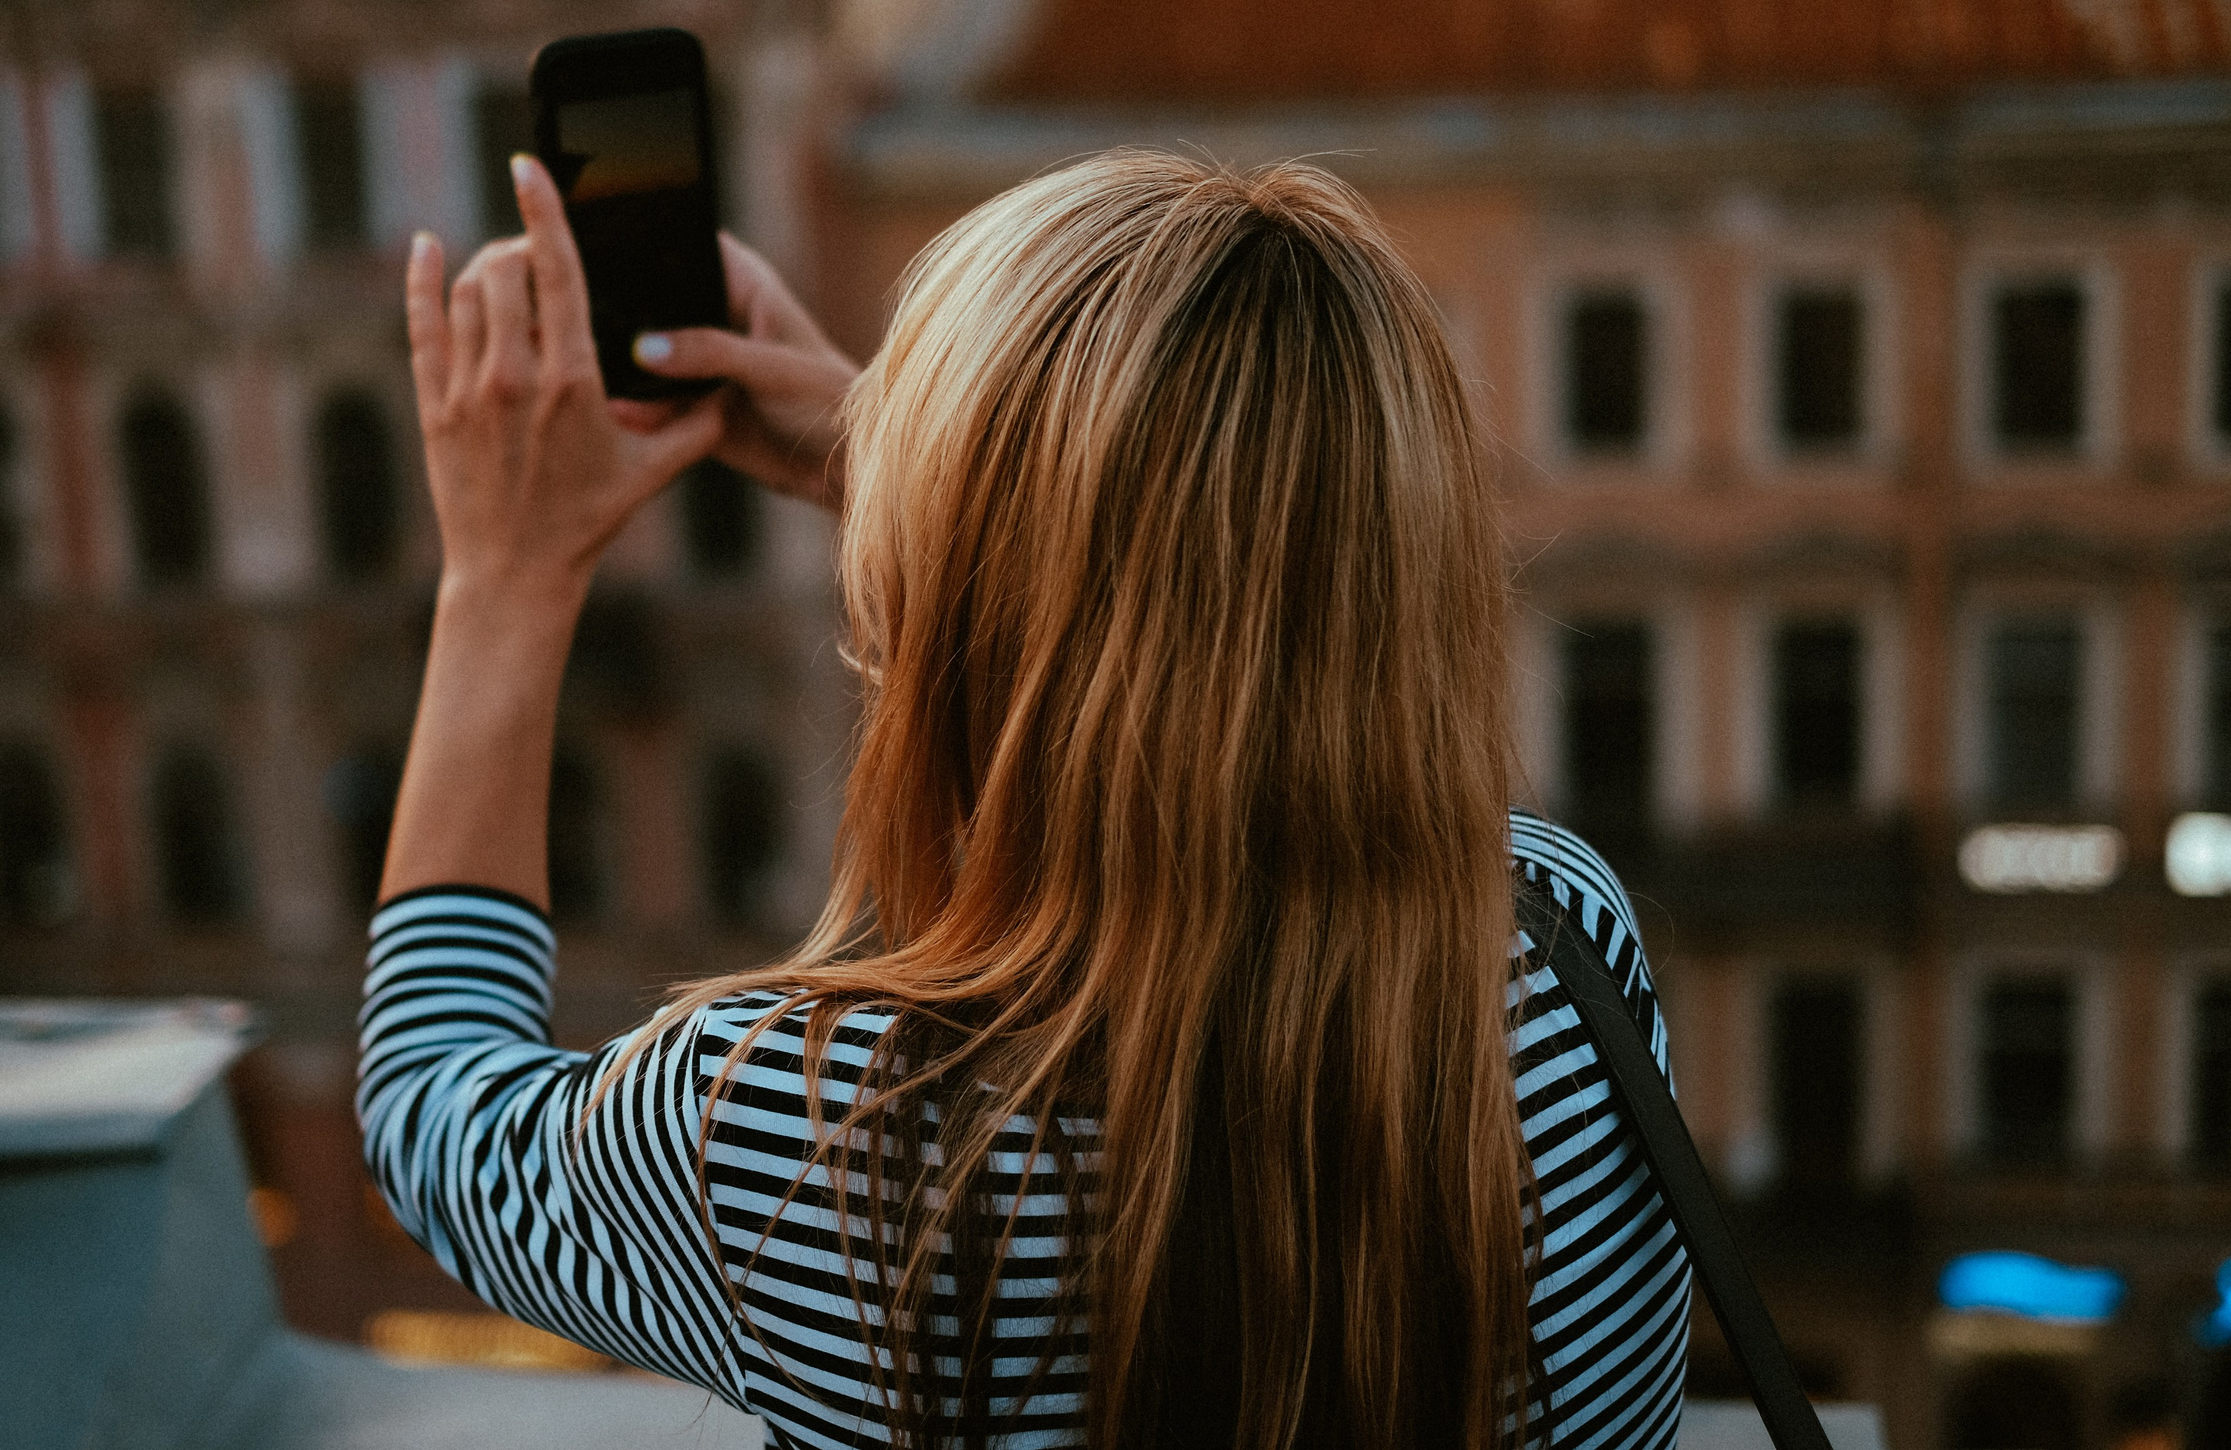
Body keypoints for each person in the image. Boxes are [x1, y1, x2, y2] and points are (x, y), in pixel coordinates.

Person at [359, 149, 1690, 1450]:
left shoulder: (811, 1131)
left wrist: (505, 574)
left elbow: (429, 1101)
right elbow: (1221, 606)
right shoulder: (1561, 944)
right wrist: (928, 457)